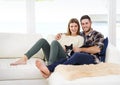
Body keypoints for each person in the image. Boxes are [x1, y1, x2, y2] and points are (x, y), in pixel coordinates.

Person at [35, 15, 105, 78]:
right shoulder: (81, 34)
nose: (85, 25)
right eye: (83, 24)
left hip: (92, 58)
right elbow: (71, 33)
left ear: (90, 23)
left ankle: (53, 72)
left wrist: (80, 49)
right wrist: (60, 34)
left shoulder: (98, 34)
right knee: (65, 59)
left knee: (77, 55)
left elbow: (97, 49)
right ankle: (48, 69)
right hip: (81, 57)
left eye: (86, 23)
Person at [10, 18, 83, 66]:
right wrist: (56, 38)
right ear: (69, 27)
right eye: (71, 26)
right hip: (53, 57)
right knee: (43, 41)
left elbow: (78, 53)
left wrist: (65, 48)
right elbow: (54, 46)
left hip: (65, 58)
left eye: (75, 26)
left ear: (78, 27)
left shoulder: (80, 38)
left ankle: (49, 67)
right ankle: (24, 58)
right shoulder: (63, 35)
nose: (73, 28)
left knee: (54, 42)